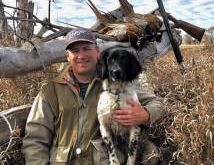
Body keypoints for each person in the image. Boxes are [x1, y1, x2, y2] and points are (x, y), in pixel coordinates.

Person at [22, 28, 165, 165]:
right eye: (75, 51)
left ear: (97, 52)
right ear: (68, 56)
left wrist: (145, 114)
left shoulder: (116, 84)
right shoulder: (50, 91)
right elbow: (35, 138)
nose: (81, 55)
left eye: (86, 49)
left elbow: (157, 102)